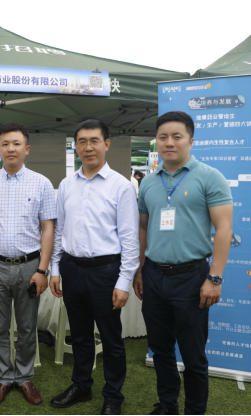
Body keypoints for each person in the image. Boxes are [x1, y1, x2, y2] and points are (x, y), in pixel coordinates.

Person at [133, 111, 233, 416]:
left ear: (191, 140)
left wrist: (214, 278)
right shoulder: (149, 182)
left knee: (193, 355)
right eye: (163, 137)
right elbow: (142, 228)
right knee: (161, 350)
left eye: (177, 136)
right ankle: (168, 406)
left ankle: (194, 411)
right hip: (153, 275)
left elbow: (224, 229)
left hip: (192, 277)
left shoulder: (209, 176)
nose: (169, 142)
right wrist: (140, 269)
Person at [50, 119, 139, 416]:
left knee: (111, 338)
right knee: (80, 334)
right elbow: (60, 231)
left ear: (106, 144)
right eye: (82, 142)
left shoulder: (121, 186)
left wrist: (124, 281)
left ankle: (113, 396)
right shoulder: (66, 185)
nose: (88, 147)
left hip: (105, 272)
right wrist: (55, 268)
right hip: (71, 268)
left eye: (94, 141)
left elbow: (129, 238)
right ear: (75, 146)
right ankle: (82, 386)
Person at [0, 121, 56, 406]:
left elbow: (48, 229)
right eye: (5, 144)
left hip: (29, 265)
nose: (11, 149)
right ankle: (4, 378)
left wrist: (42, 270)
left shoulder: (41, 183)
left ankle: (25, 377)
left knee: (27, 326)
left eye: (16, 144)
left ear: (26, 149)